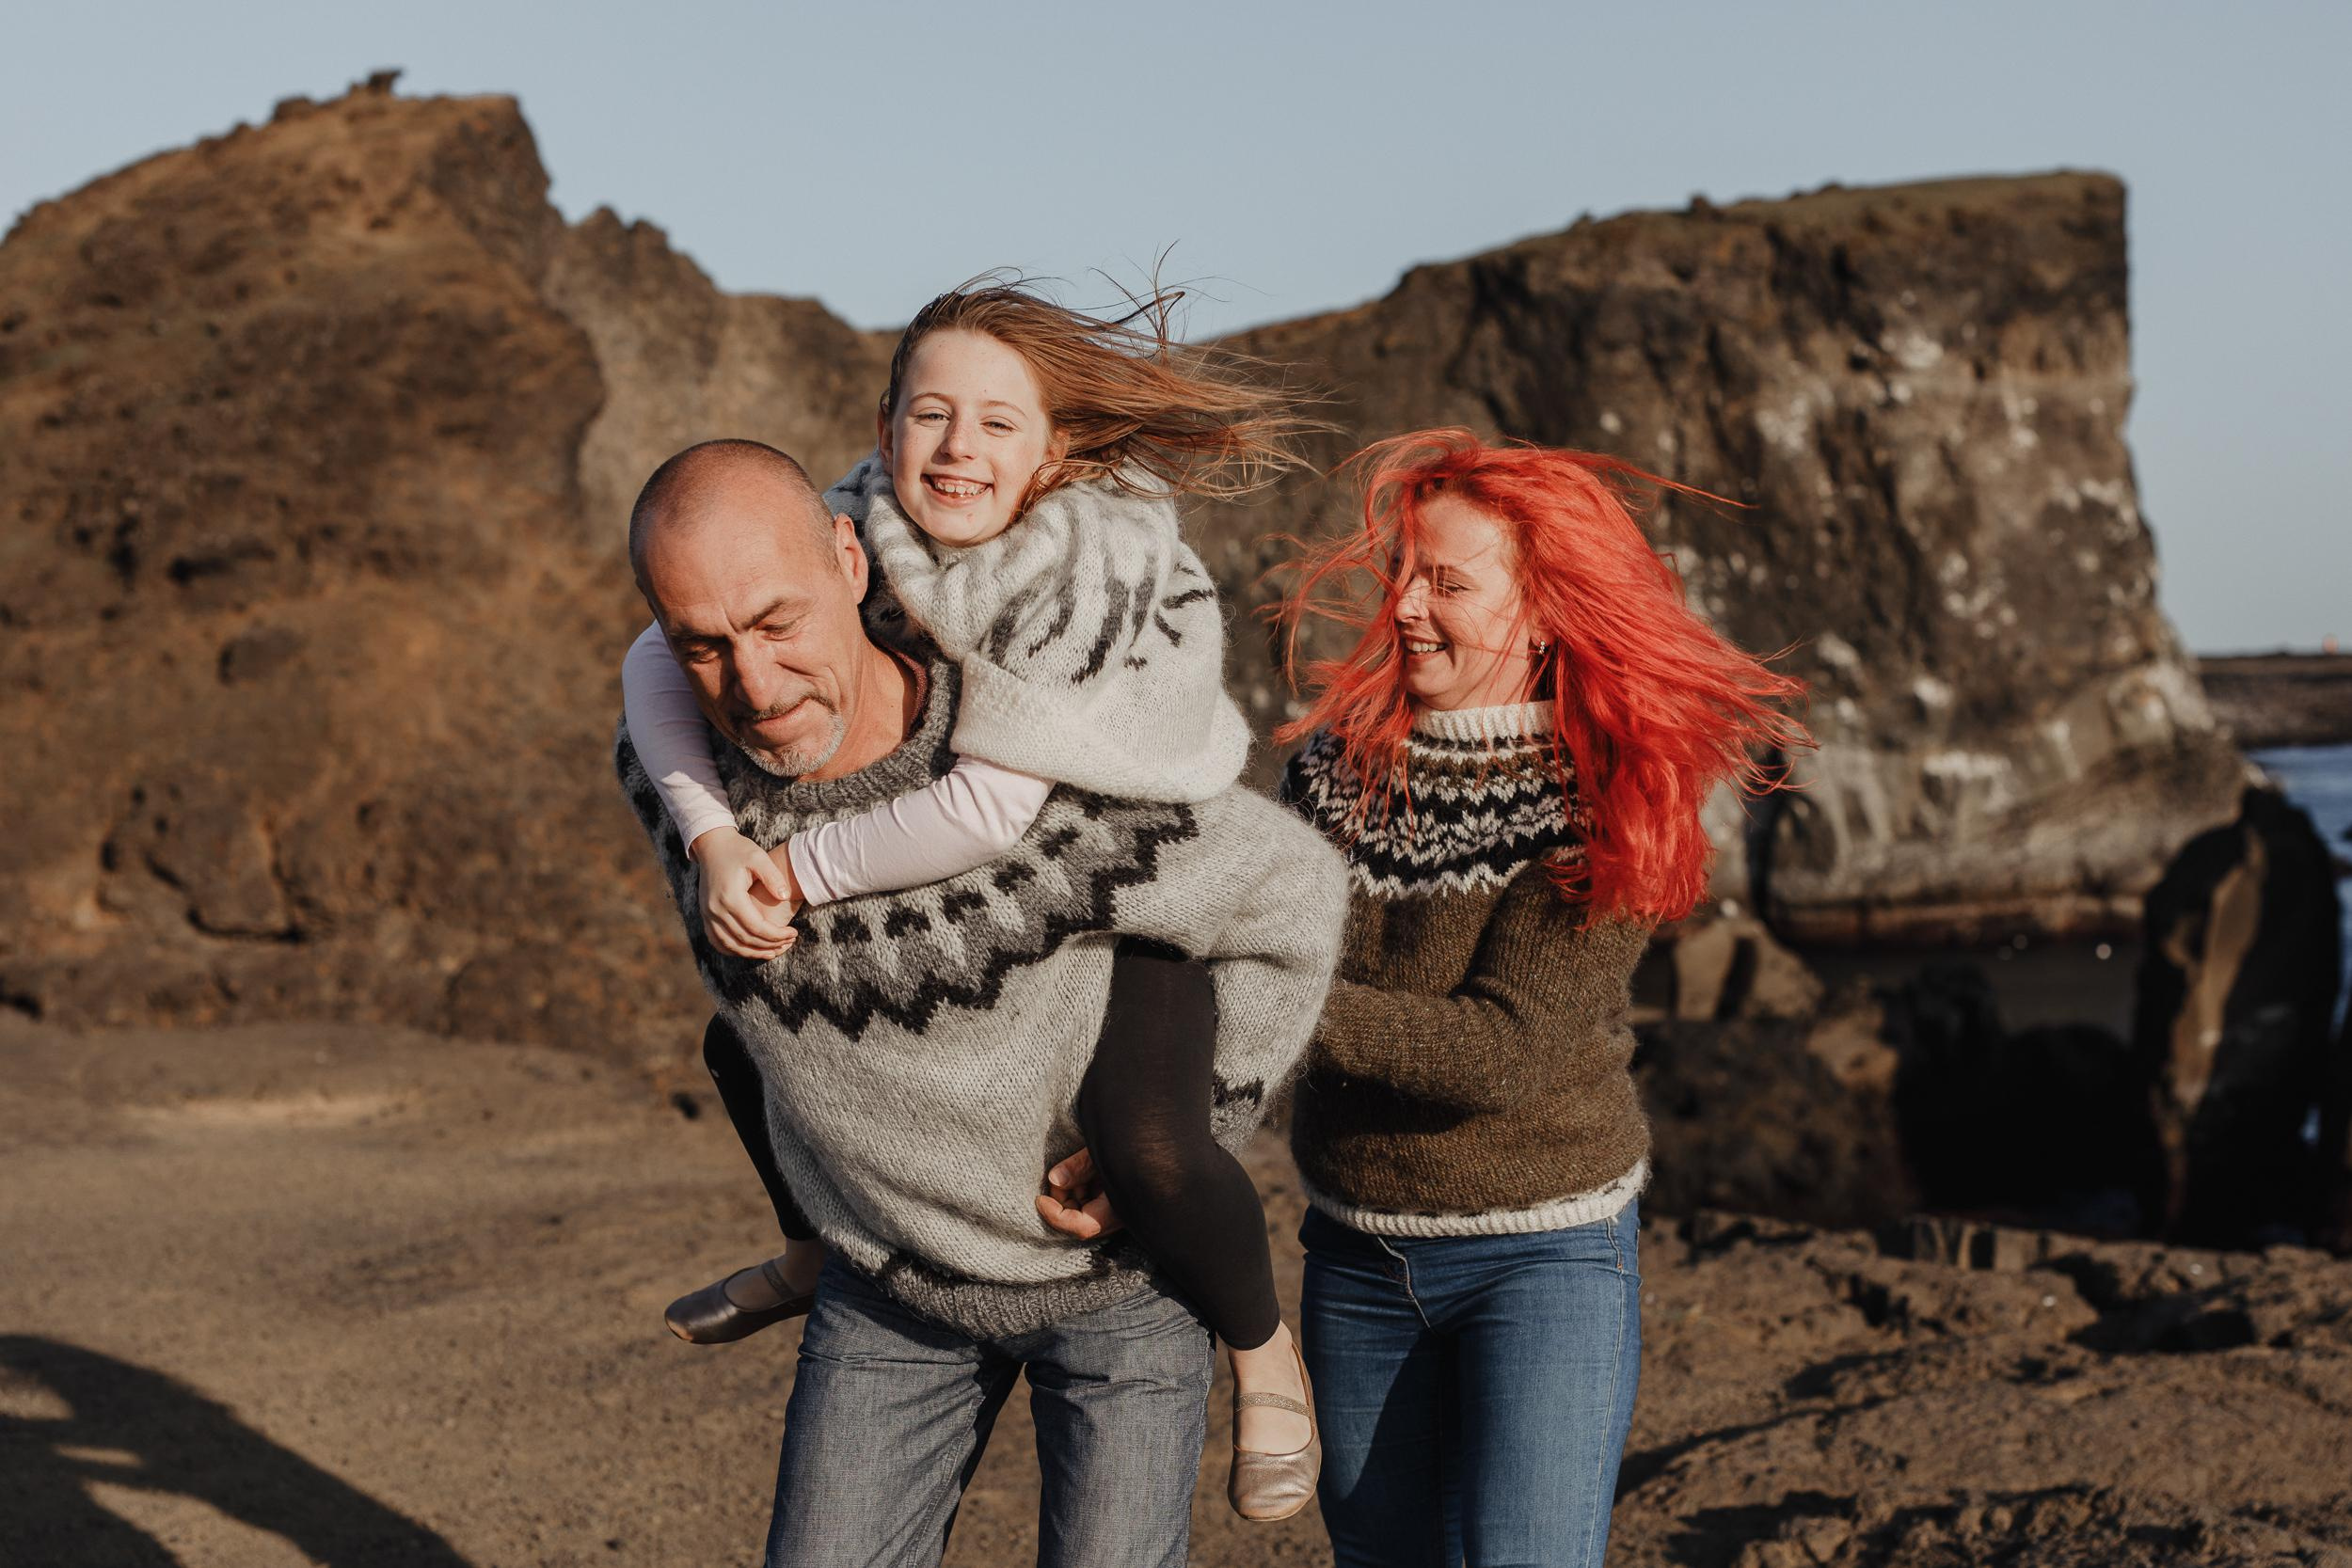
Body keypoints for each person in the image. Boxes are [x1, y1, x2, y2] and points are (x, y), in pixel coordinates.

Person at [623, 280, 1337, 1516]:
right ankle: (812, 1242)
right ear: (883, 424)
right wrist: (711, 828)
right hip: (895, 1272)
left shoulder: (1088, 583)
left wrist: (795, 865)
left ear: (1056, 445)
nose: (957, 449)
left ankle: (1263, 1348)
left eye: (999, 423)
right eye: (928, 415)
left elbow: (993, 808)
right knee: (746, 1036)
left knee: (1153, 1148)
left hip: (1139, 880)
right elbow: (655, 656)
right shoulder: (868, 532)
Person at [1048, 428, 1809, 1565]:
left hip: (1543, 1258)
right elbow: (1235, 993)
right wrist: (1145, 1141)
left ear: (1545, 610)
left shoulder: (1611, 798)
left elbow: (1493, 1051)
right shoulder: (1331, 770)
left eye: (1446, 581)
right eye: (1403, 573)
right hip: (1356, 1252)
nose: (1403, 604)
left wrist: (1272, 977)